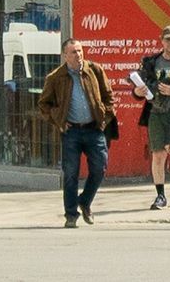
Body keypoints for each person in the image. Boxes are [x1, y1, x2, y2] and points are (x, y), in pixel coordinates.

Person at [38, 38, 117, 227]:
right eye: (73, 52)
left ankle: (85, 201)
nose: (78, 55)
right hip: (71, 131)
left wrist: (104, 120)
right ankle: (71, 214)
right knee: (71, 172)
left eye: (80, 51)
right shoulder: (56, 77)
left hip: (94, 129)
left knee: (100, 168)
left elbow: (109, 97)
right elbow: (43, 104)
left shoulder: (94, 71)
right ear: (65, 55)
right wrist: (59, 122)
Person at [134, 26, 170, 210]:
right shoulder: (151, 62)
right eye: (168, 39)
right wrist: (137, 91)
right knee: (158, 154)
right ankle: (160, 195)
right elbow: (139, 87)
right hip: (156, 112)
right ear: (161, 40)